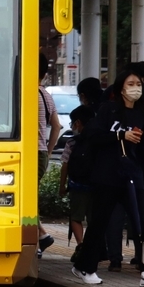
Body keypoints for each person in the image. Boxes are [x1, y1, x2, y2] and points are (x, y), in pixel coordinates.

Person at [72, 66, 144, 286]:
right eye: (130, 85)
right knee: (100, 222)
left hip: (132, 174)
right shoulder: (107, 110)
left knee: (141, 222)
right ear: (120, 89)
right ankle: (85, 267)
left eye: (138, 84)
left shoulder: (142, 115)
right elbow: (92, 135)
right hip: (107, 175)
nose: (135, 89)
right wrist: (120, 134)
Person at [61, 77, 104, 246]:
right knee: (94, 218)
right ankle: (93, 246)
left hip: (77, 186)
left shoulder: (72, 143)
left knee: (76, 217)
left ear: (78, 123)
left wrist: (62, 186)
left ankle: (80, 245)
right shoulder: (98, 139)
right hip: (95, 185)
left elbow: (64, 165)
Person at [36, 54, 62, 256]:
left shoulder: (27, 93)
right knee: (30, 198)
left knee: (25, 200)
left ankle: (41, 236)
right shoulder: (46, 95)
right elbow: (57, 126)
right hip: (42, 153)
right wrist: (49, 148)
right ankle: (40, 237)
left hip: (30, 155)